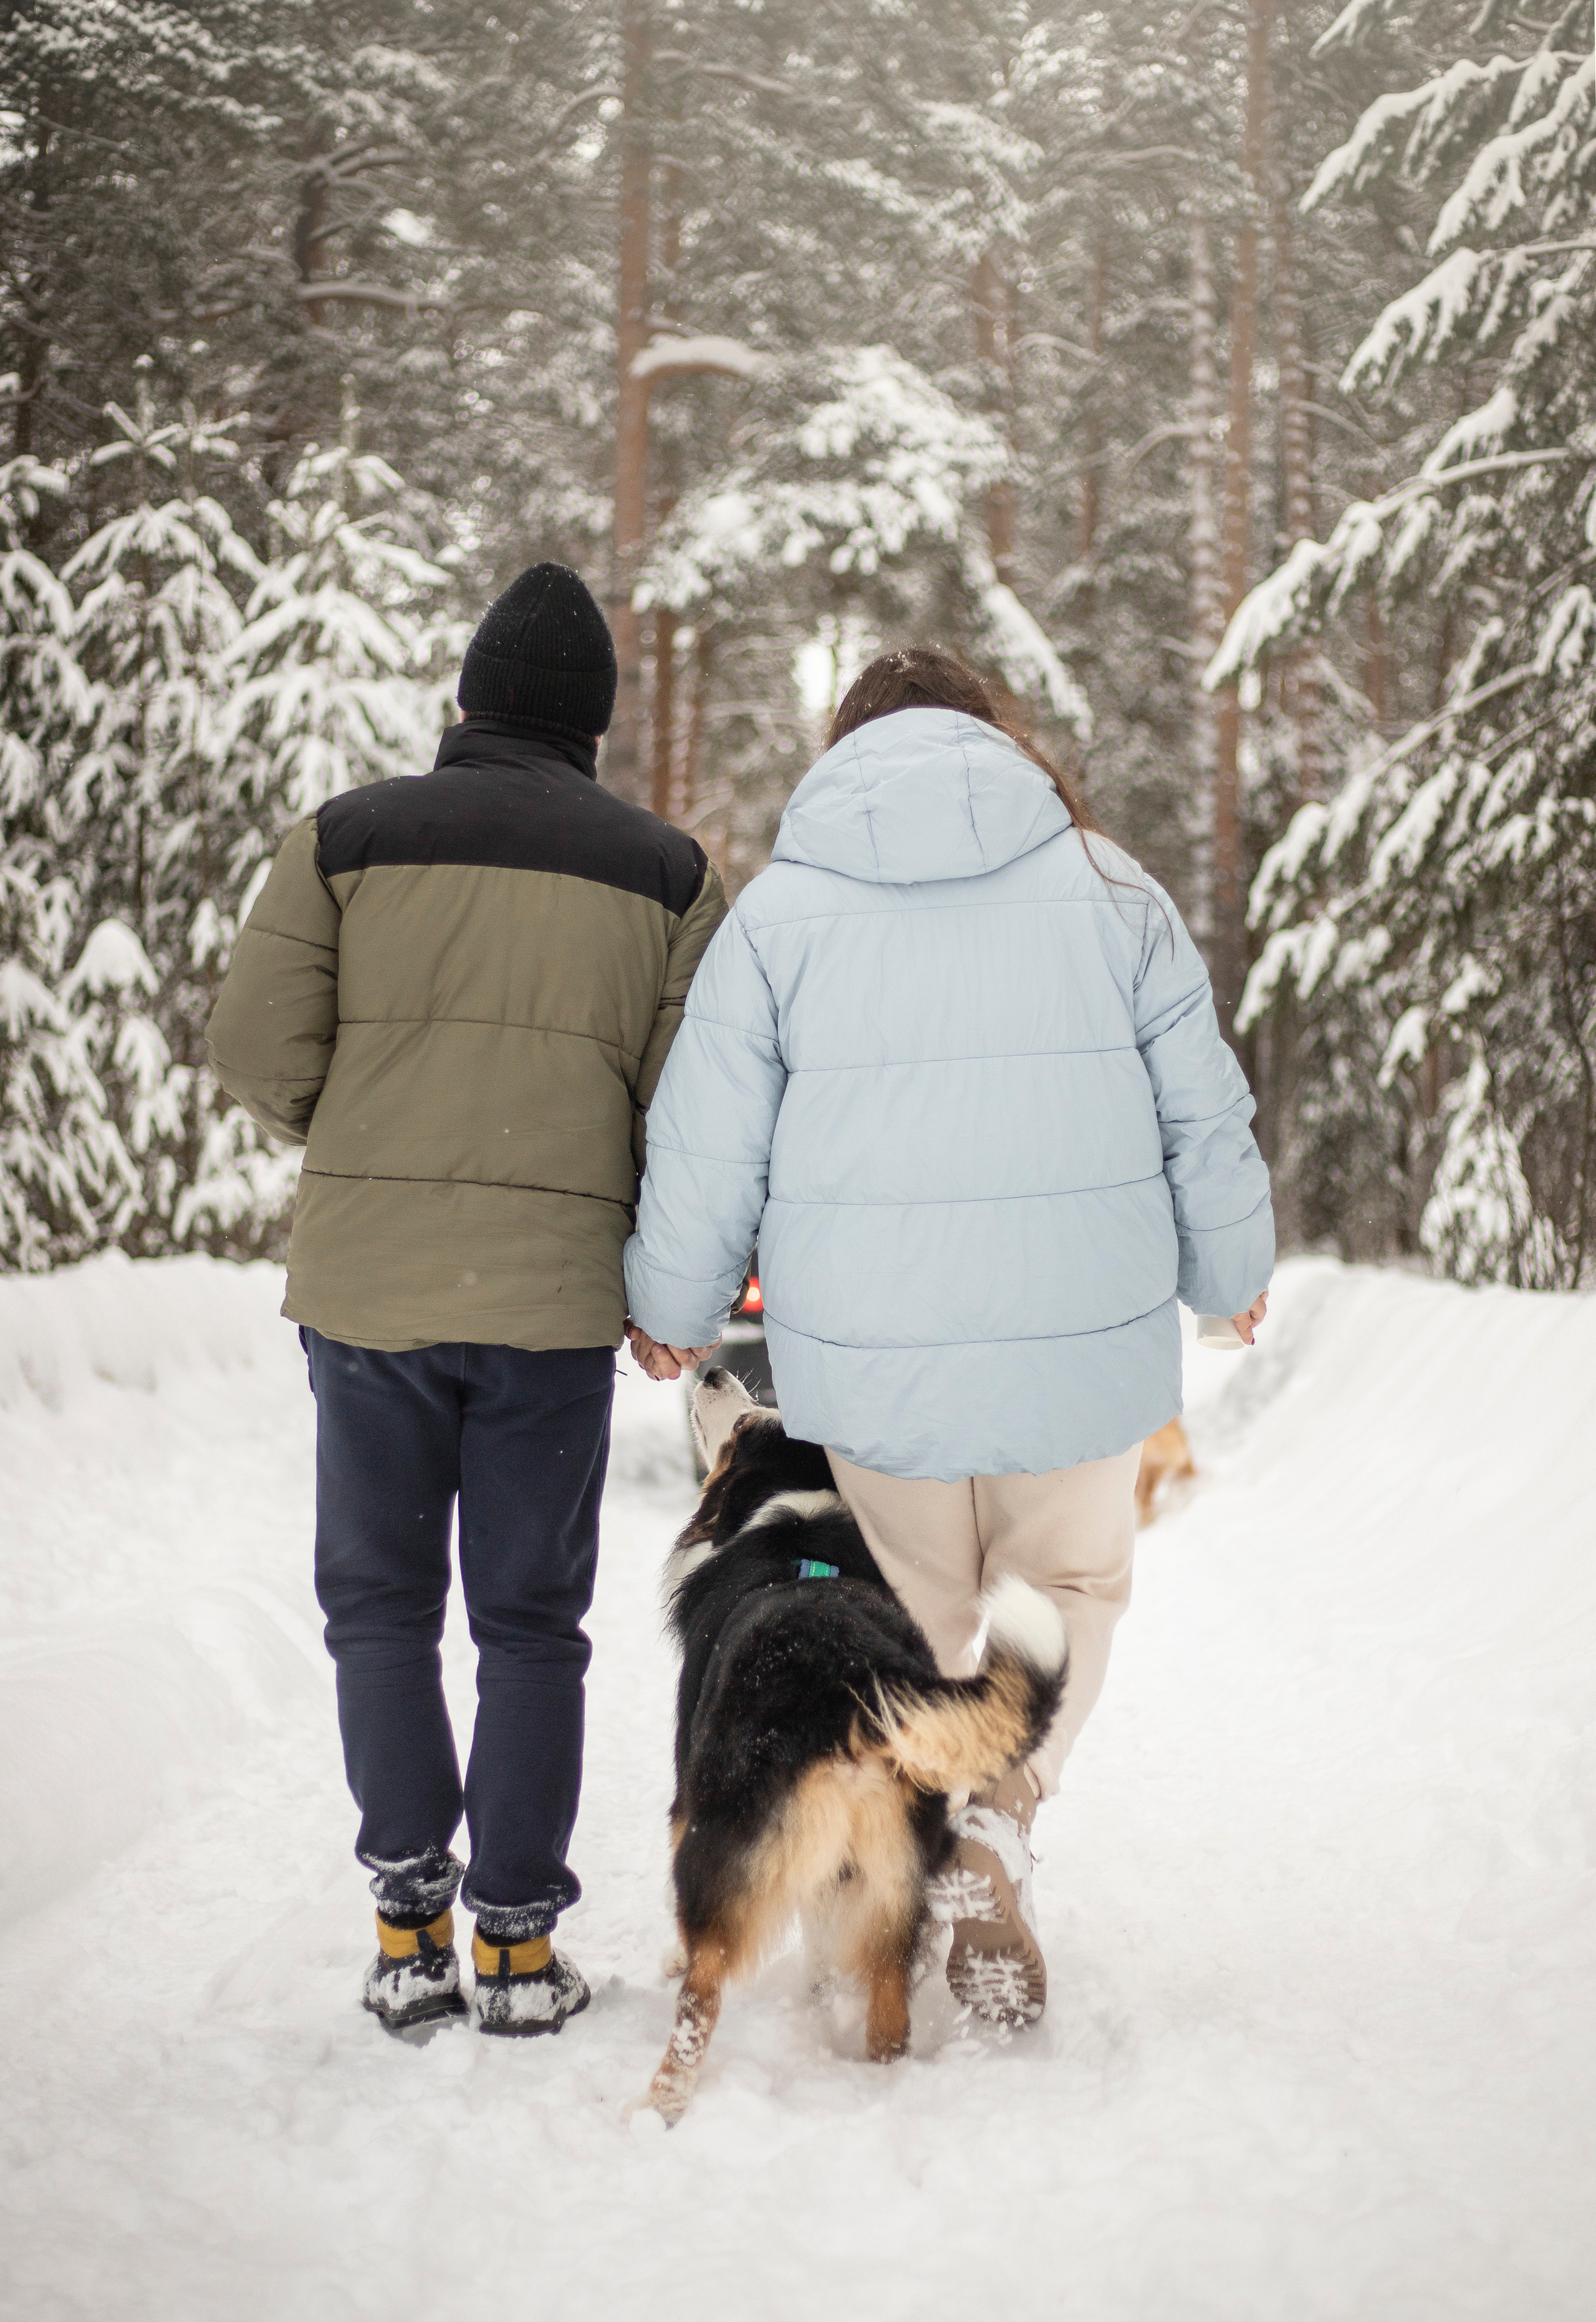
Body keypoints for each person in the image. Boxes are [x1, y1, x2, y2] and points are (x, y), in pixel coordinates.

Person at [624, 648, 1272, 2027]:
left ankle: (881, 1881)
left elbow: (705, 1141)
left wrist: (675, 1313)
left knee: (903, 1620)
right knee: (1069, 1591)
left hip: (874, 1360)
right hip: (1077, 1349)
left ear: (843, 750)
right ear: (999, 743)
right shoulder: (1111, 890)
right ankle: (1003, 1816)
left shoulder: (781, 915)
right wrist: (1228, 1277)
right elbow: (1199, 1112)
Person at [206, 564, 725, 2035]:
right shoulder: (669, 874)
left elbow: (253, 1051)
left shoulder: (348, 837)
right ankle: (512, 1946)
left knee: (377, 1605)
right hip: (550, 1308)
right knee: (528, 1623)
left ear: (468, 697)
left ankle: (404, 1929)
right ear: (596, 725)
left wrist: (368, 1135)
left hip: (367, 1295)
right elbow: (689, 1109)